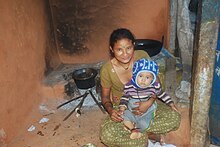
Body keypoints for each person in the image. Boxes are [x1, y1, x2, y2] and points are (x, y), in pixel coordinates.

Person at [100, 28, 180, 147]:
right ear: (112, 49)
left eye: (128, 48)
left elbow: (156, 83)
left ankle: (135, 134)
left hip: (148, 102)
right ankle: (148, 136)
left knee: (174, 118)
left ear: (134, 45)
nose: (125, 54)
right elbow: (105, 97)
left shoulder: (142, 56)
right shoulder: (107, 70)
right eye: (119, 50)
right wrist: (111, 111)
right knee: (107, 135)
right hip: (123, 108)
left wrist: (149, 102)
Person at [119, 58, 179, 141]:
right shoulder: (129, 86)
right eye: (140, 76)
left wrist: (171, 104)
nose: (143, 80)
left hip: (147, 111)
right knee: (123, 115)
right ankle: (133, 129)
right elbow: (125, 97)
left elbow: (162, 94)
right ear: (135, 75)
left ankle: (136, 130)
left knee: (144, 123)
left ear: (152, 79)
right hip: (132, 110)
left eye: (147, 77)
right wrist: (122, 108)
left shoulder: (154, 87)